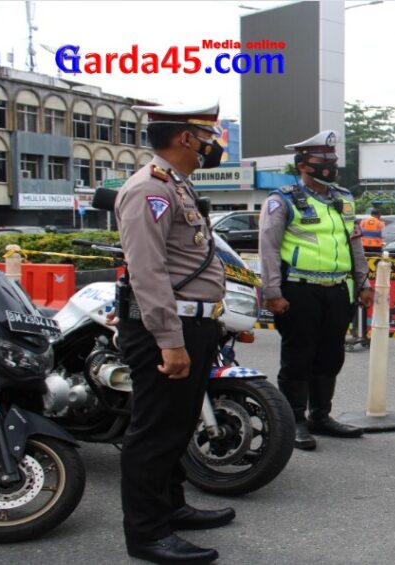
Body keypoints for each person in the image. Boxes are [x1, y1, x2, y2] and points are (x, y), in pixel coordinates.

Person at [114, 102, 233, 564]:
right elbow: (147, 270)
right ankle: (147, 534)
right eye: (207, 137)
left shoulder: (173, 186)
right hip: (169, 326)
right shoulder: (149, 190)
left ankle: (171, 507)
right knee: (155, 432)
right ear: (186, 138)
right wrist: (169, 340)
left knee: (177, 425)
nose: (213, 146)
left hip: (193, 321)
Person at [258, 129, 373, 450]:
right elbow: (268, 248)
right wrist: (272, 292)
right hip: (298, 289)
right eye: (323, 160)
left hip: (338, 290)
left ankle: (321, 416)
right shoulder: (281, 200)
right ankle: (293, 421)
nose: (330, 166)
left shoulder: (343, 198)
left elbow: (355, 243)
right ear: (303, 165)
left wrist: (364, 282)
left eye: (332, 160)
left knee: (330, 355)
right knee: (298, 356)